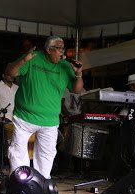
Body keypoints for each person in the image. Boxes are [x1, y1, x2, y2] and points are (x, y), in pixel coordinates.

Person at [6, 36, 84, 179]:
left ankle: (41, 185)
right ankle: (19, 183)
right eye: (59, 49)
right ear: (48, 49)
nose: (62, 52)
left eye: (63, 49)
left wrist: (78, 74)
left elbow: (77, 90)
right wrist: (23, 60)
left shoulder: (65, 66)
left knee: (46, 155)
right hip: (25, 117)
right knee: (18, 151)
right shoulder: (32, 58)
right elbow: (10, 73)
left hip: (50, 120)